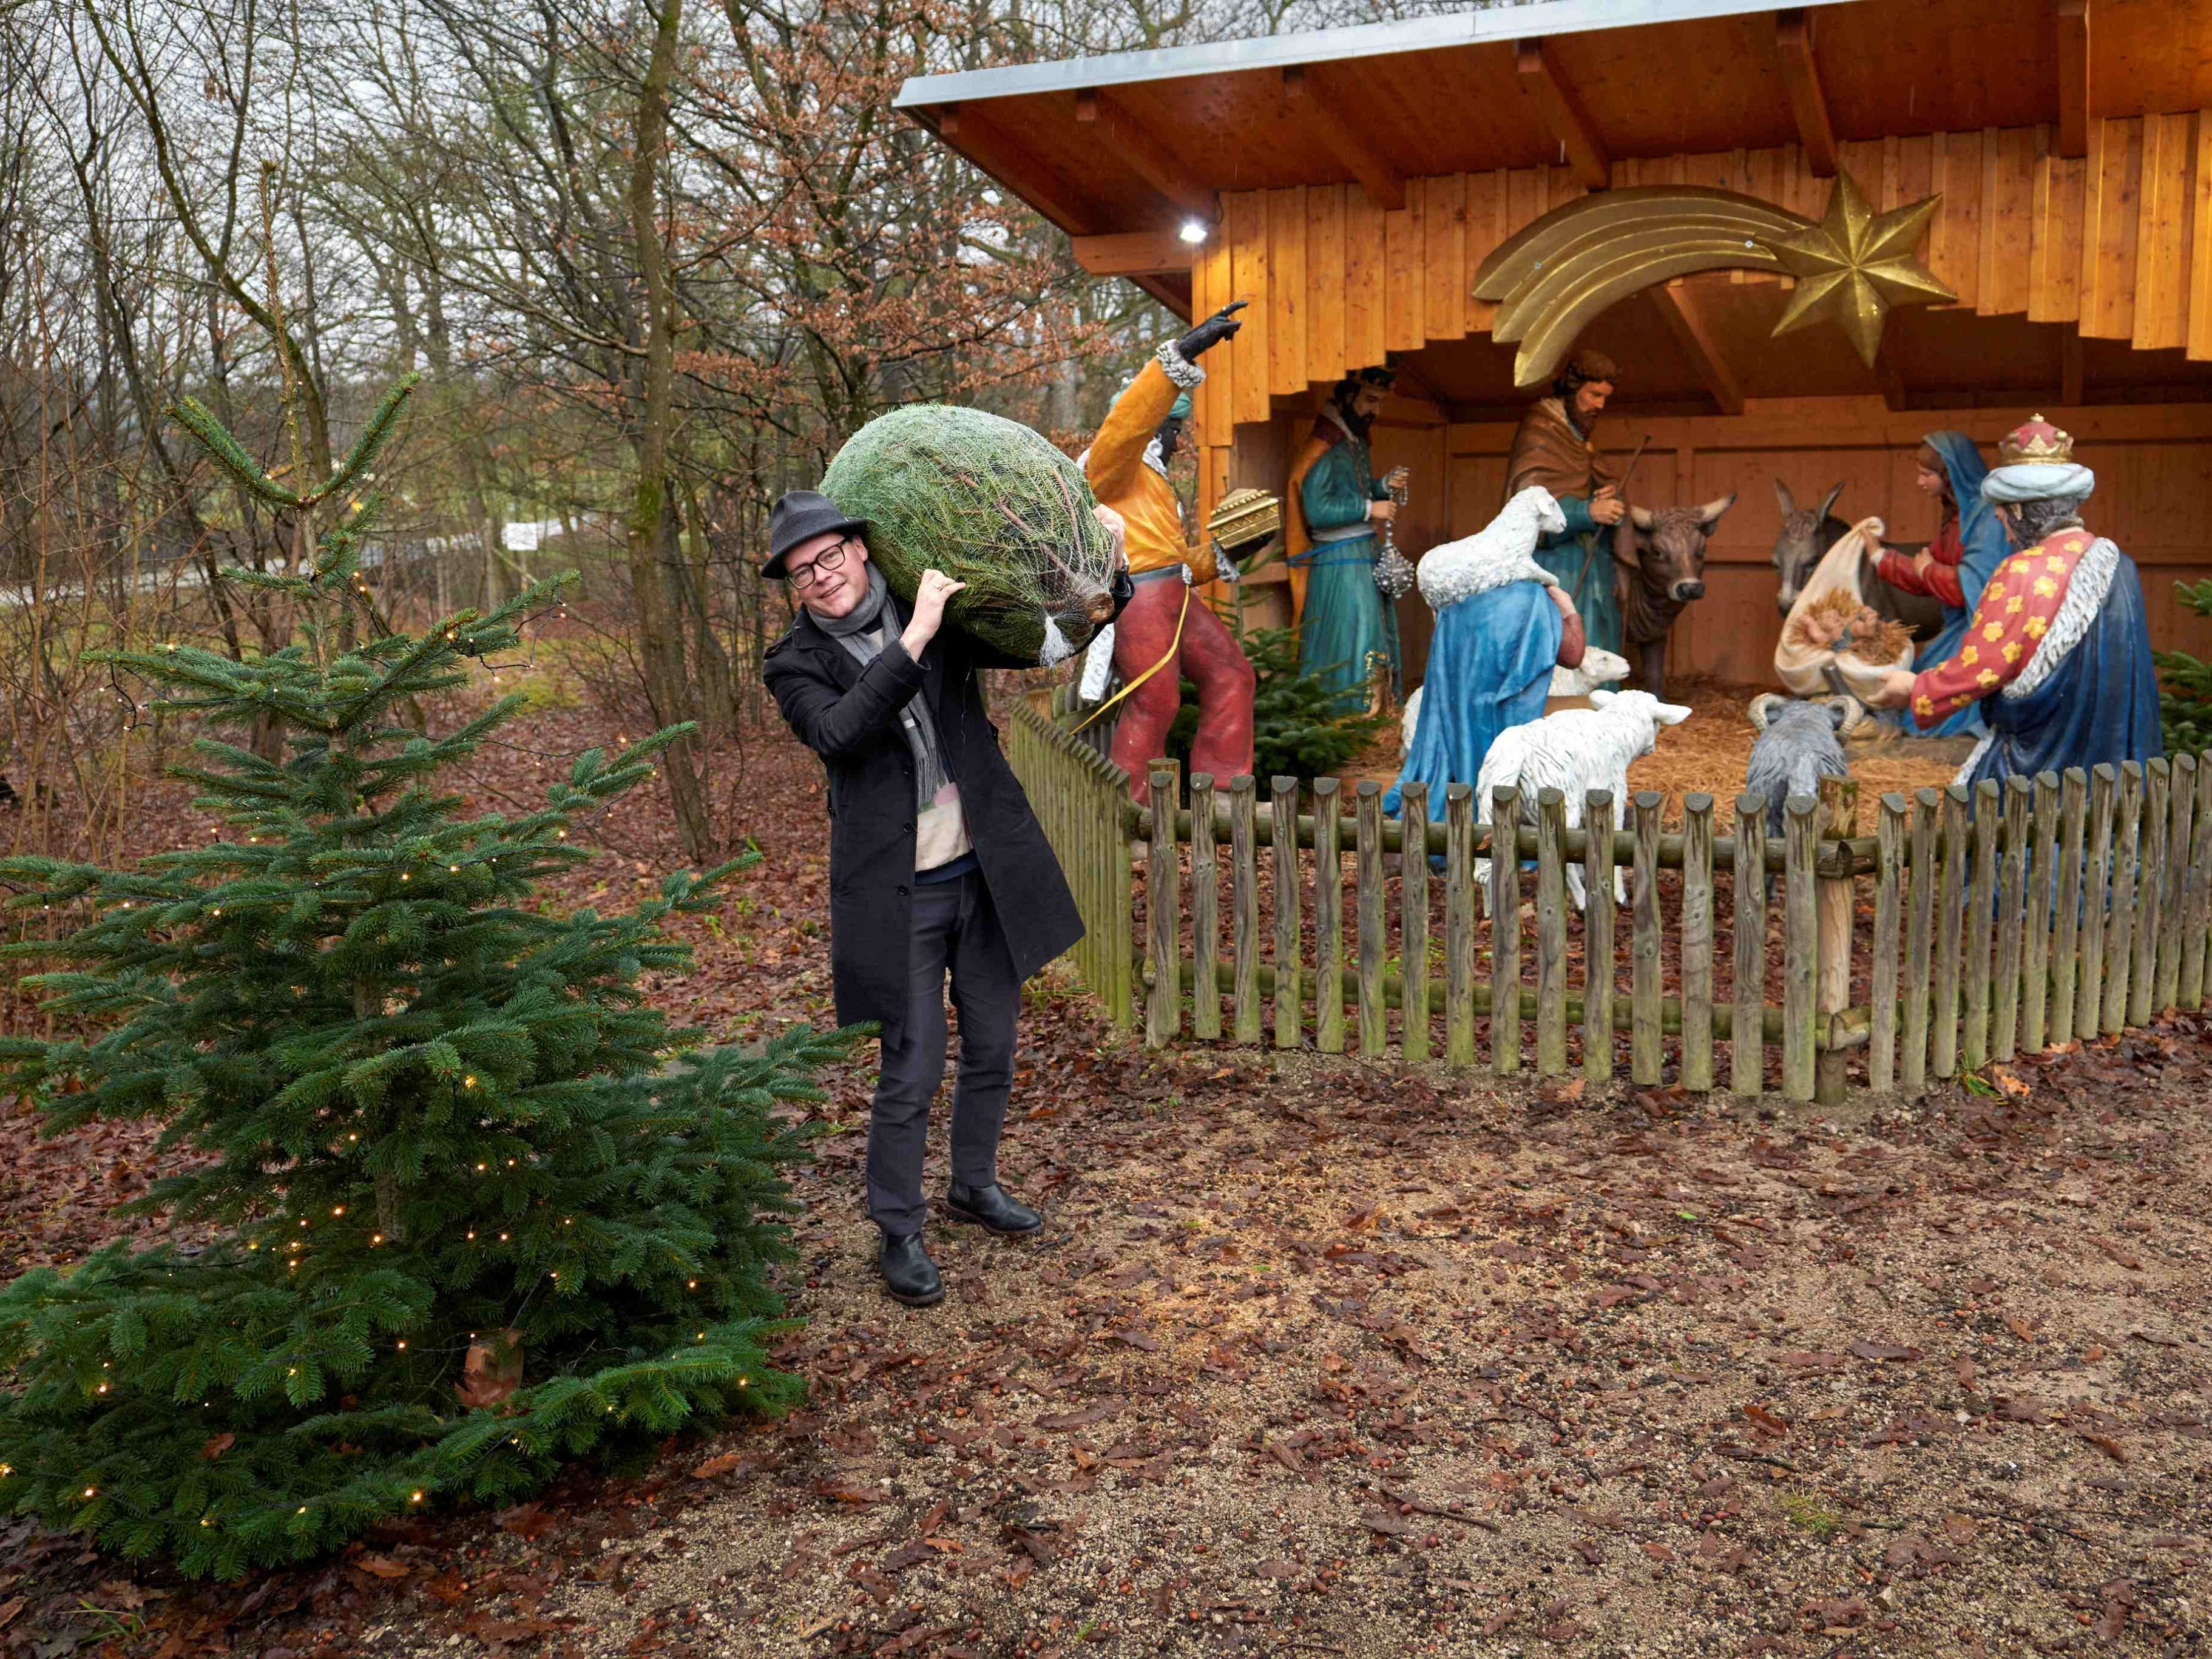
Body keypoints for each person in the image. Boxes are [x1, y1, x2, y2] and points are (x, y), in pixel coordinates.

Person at [761, 489, 1128, 1308]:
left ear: (859, 547)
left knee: (994, 1044)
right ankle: (898, 1227)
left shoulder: (937, 605)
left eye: (829, 557)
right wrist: (915, 636)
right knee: (913, 1066)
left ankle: (974, 1184)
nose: (821, 580)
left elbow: (1044, 642)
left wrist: (1110, 568)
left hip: (982, 872)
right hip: (898, 894)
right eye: (802, 572)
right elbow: (839, 732)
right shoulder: (794, 662)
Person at [1866, 415, 2160, 788]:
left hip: (2041, 759)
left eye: (2003, 510)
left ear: (2021, 511)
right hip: (2114, 755)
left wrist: (1912, 688)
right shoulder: (2120, 564)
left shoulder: (2021, 571)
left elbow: (1982, 668)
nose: (2000, 520)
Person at [1083, 303, 1257, 804]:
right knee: (1154, 701)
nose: (1178, 442)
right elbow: (1125, 425)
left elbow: (1171, 561)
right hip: (1139, 601)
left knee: (1231, 674)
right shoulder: (1112, 465)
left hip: (1171, 595)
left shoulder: (1149, 481)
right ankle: (1127, 812)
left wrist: (1223, 552)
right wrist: (1178, 357)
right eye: (1174, 430)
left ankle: (1223, 791)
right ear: (1155, 427)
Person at [1385, 502, 1586, 817]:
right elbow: (1573, 656)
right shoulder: (1535, 599)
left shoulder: (1457, 605)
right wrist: (1569, 610)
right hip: (1508, 723)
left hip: (1455, 716)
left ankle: (1435, 828)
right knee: (1504, 780)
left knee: (1453, 772)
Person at [1867, 433, 2009, 737]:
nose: (1920, 482)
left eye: (1927, 474)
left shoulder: (1988, 516)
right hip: (1959, 626)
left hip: (1984, 631)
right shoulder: (1958, 515)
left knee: (1935, 694)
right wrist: (1880, 556)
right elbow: (1926, 574)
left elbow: (1973, 588)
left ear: (1951, 473)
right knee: (1919, 680)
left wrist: (1929, 569)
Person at [1292, 366, 1410, 704]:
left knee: (1370, 634)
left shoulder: (1351, 441)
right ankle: (1352, 714)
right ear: (1347, 397)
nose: (1376, 410)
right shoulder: (1326, 445)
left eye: (1381, 402)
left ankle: (1372, 712)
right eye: (1371, 400)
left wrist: (1383, 487)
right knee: (1356, 638)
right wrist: (1371, 509)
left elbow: (1352, 490)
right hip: (1340, 563)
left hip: (1358, 556)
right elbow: (1317, 509)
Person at [1504, 348, 1629, 657]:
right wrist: (1586, 512)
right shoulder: (1541, 432)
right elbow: (1527, 509)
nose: (1600, 405)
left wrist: (1608, 496)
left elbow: (1594, 482)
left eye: (1605, 397)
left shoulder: (1579, 438)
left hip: (1592, 565)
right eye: (1594, 394)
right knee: (1561, 649)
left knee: (1598, 650)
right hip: (1556, 566)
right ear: (1572, 390)